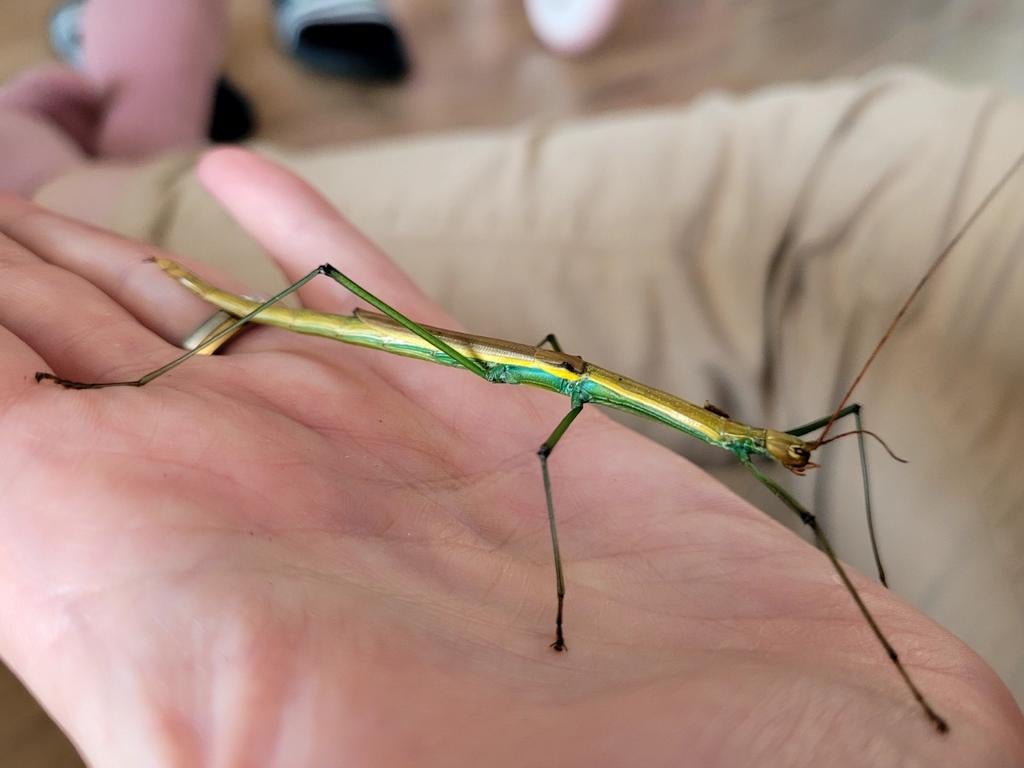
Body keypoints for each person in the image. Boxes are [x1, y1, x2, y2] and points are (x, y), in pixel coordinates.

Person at [1, 3, 1023, 765]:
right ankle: (110, 179)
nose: (779, 456)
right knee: (312, 286)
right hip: (476, 354)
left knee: (807, 400)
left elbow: (793, 444)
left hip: (544, 369)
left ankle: (108, 152)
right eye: (772, 450)